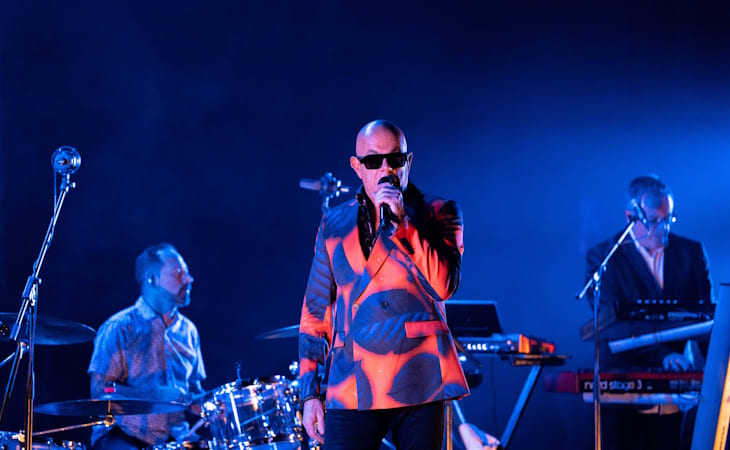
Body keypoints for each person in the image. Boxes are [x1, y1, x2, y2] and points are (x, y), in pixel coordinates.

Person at [298, 119, 469, 450]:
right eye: (374, 161)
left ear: (408, 162)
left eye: (396, 159)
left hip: (419, 375)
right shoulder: (334, 223)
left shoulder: (438, 212)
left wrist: (403, 224)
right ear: (357, 166)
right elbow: (315, 314)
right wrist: (310, 393)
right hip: (352, 379)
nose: (386, 169)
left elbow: (444, 286)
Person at [584, 174, 713, 450]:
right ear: (630, 217)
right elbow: (612, 324)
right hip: (621, 392)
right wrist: (663, 355)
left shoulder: (691, 253)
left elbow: (705, 319)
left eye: (668, 219)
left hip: (674, 395)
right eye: (654, 221)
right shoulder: (603, 258)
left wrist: (719, 367)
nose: (663, 228)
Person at [88, 243, 206, 450]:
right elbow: (100, 390)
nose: (189, 279)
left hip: (176, 438)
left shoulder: (189, 331)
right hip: (124, 436)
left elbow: (195, 387)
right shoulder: (119, 327)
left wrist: (205, 402)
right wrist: (153, 395)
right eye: (179, 273)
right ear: (152, 279)